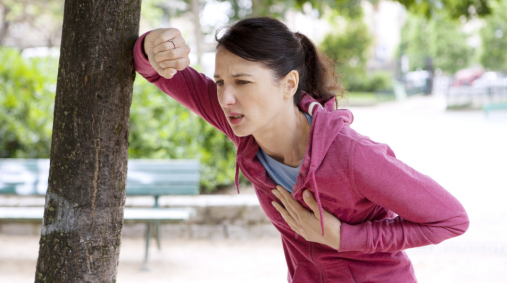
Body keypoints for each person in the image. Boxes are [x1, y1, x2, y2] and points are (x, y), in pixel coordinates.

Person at [133, 16, 469, 283]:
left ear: (289, 84)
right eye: (220, 82)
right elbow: (157, 71)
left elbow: (450, 220)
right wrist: (152, 44)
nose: (225, 98)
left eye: (242, 82)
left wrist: (345, 238)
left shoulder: (351, 155)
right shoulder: (244, 127)